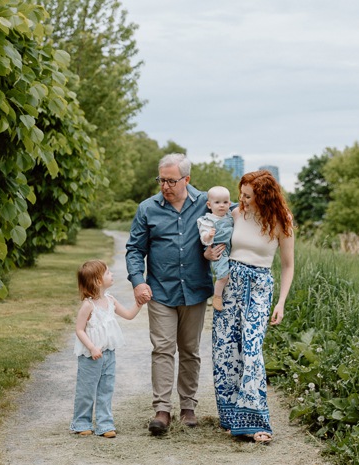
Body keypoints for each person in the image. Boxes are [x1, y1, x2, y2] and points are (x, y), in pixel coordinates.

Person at [125, 153, 218, 435]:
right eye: (161, 180)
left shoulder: (206, 203)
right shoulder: (147, 209)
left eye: (171, 180)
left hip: (195, 289)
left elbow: (238, 211)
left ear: (187, 180)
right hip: (160, 291)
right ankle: (162, 410)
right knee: (163, 349)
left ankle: (188, 406)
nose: (165, 186)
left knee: (190, 350)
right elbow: (134, 249)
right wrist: (138, 282)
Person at [210, 170, 295, 445]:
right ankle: (232, 418)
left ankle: (256, 420)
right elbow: (215, 243)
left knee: (251, 350)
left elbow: (287, 265)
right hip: (231, 283)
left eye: (248, 196)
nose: (241, 200)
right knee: (225, 350)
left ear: (263, 196)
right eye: (241, 195)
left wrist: (281, 301)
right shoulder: (235, 214)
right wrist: (209, 253)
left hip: (259, 287)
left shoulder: (282, 221)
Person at [70, 259, 143, 438]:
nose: (112, 275)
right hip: (91, 355)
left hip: (109, 354)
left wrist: (139, 304)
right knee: (86, 390)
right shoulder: (88, 305)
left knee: (106, 388)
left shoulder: (110, 300)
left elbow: (128, 315)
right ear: (97, 281)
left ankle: (105, 423)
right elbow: (79, 329)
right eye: (108, 273)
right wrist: (92, 347)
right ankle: (81, 422)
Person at [197, 186, 234, 311]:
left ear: (229, 203)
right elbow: (203, 238)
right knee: (223, 275)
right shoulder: (207, 220)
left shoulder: (230, 216)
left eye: (225, 202)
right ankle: (217, 296)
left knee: (230, 274)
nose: (221, 205)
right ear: (209, 204)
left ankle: (224, 295)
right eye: (217, 202)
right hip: (218, 250)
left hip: (230, 248)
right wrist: (209, 235)